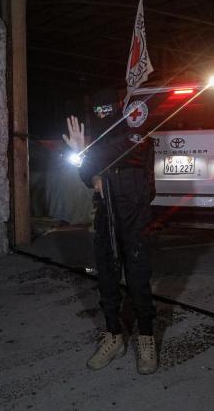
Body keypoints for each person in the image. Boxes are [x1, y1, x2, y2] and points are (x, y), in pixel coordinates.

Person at [62, 87, 158, 375]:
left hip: (135, 215)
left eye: (107, 109)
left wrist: (84, 154)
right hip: (106, 215)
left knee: (138, 279)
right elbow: (86, 175)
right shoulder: (97, 142)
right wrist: (89, 169)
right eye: (97, 110)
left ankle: (146, 338)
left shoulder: (135, 130)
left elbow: (123, 152)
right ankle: (113, 336)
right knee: (106, 278)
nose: (102, 114)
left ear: (118, 108)